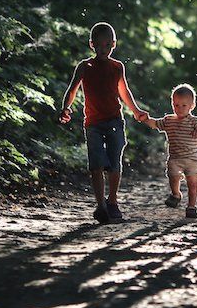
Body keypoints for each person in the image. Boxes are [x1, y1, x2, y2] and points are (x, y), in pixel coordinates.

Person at [58, 22, 148, 224]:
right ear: (91, 45)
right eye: (98, 45)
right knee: (96, 164)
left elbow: (124, 91)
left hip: (115, 120)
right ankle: (100, 205)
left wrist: (135, 111)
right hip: (93, 124)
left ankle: (113, 201)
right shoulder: (85, 66)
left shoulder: (117, 67)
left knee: (114, 163)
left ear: (113, 44)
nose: (103, 49)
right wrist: (66, 107)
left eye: (107, 45)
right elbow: (72, 89)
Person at [142, 84, 197, 219]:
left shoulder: (194, 121)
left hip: (193, 159)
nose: (179, 108)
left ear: (192, 106)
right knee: (173, 176)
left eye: (184, 105)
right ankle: (176, 194)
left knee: (192, 183)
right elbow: (155, 124)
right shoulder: (168, 120)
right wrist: (146, 120)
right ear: (172, 104)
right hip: (175, 158)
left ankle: (191, 206)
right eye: (176, 105)